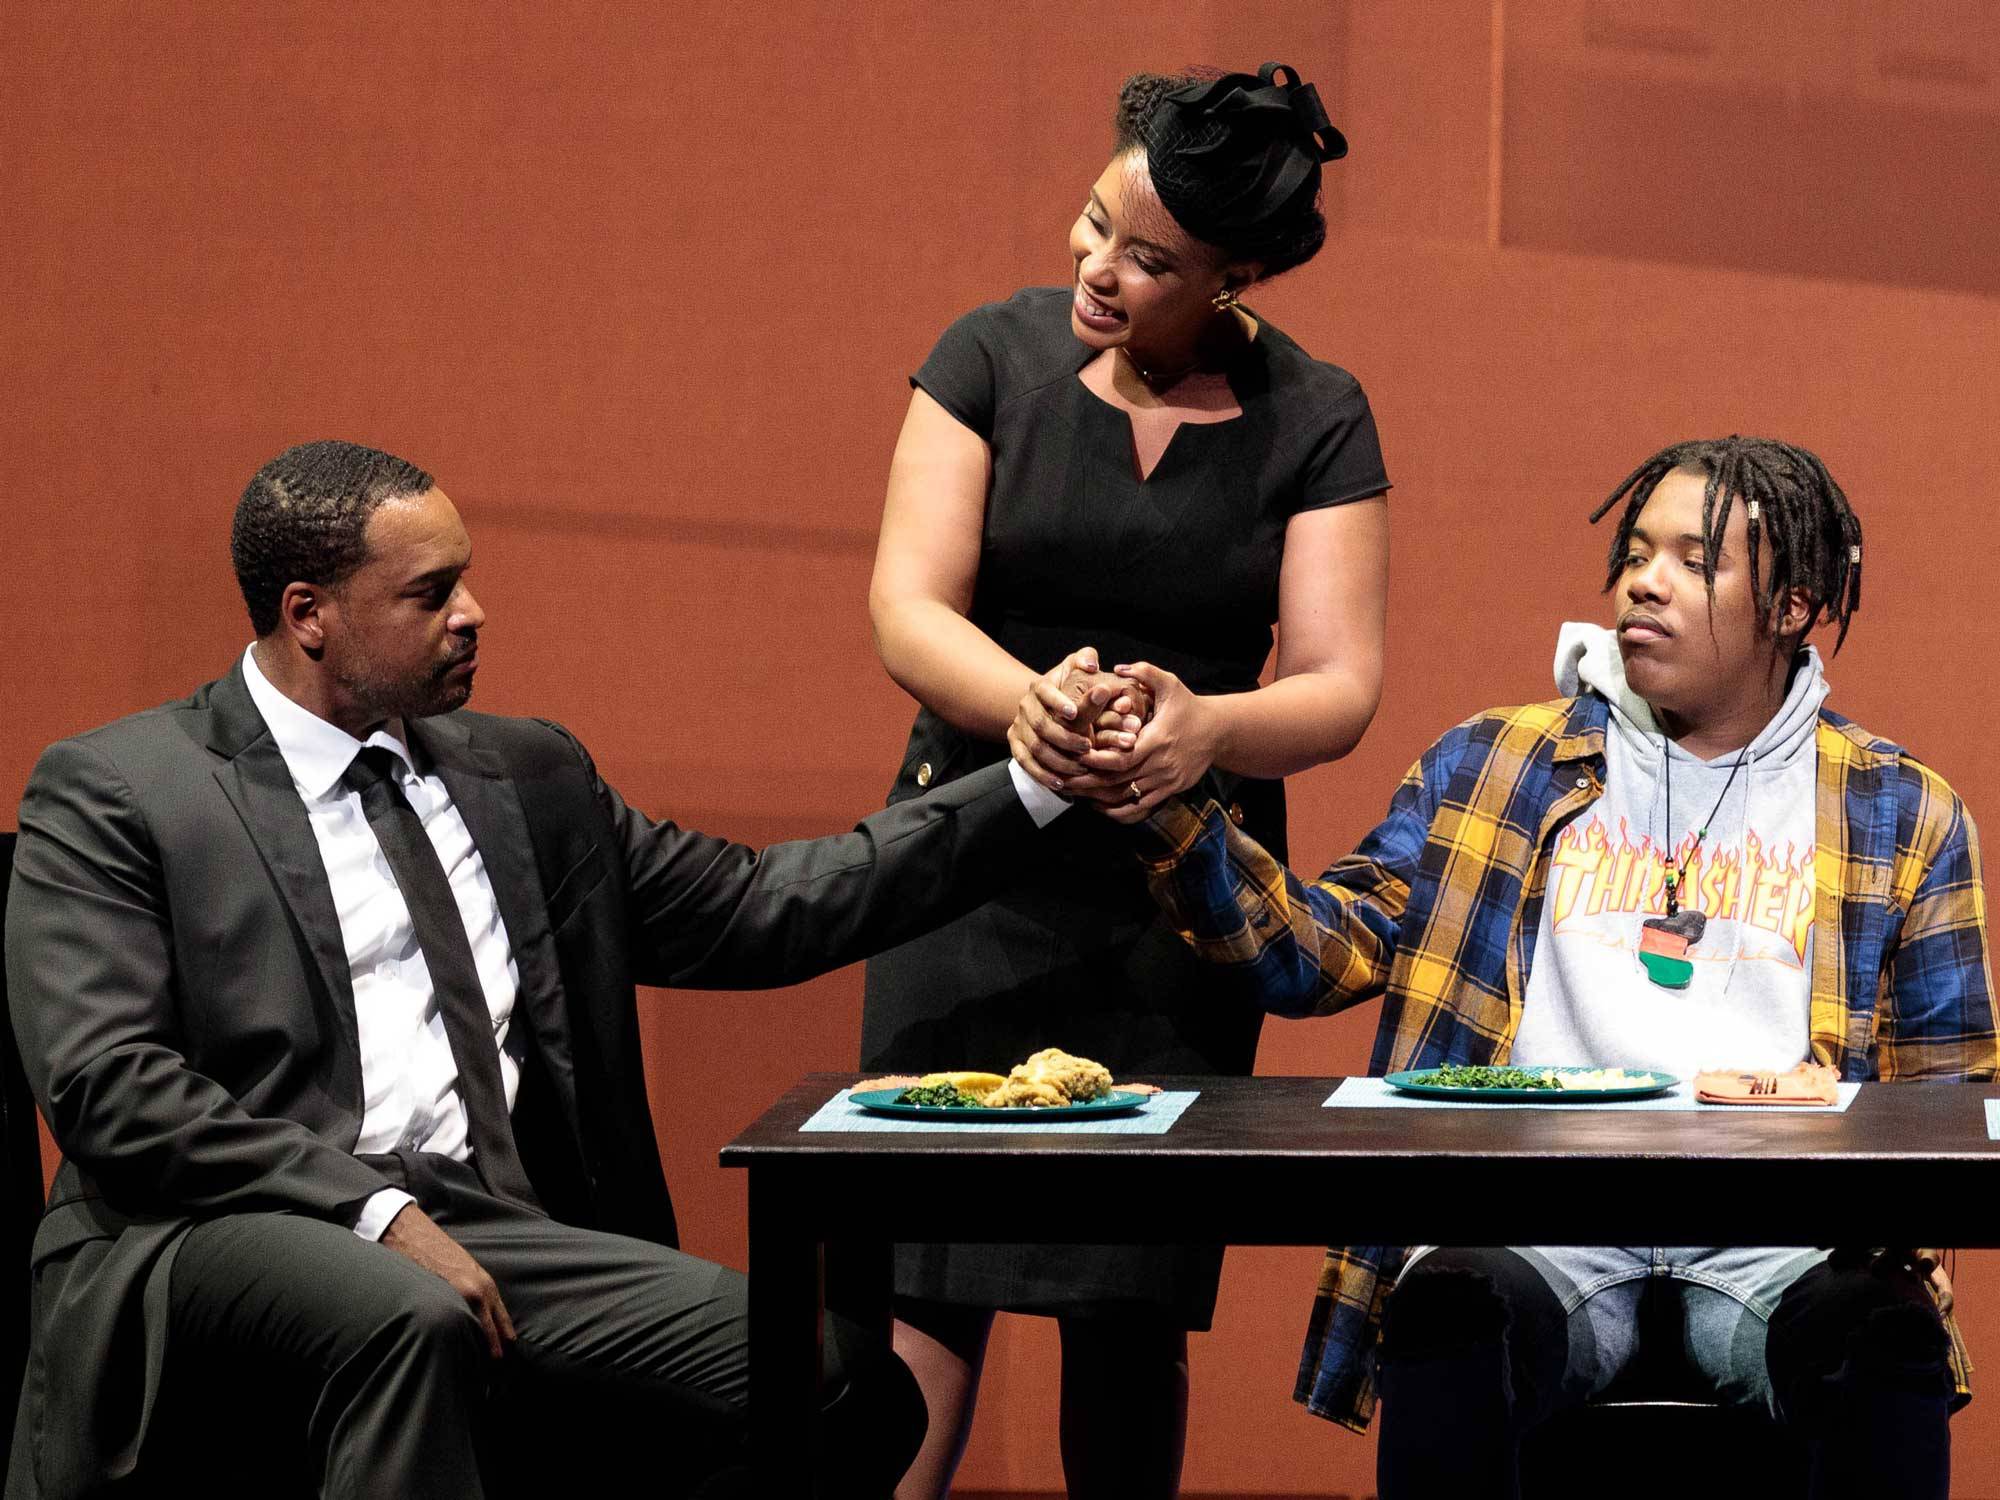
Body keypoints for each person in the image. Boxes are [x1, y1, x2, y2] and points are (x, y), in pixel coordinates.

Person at [4, 439, 1087, 1500]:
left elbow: (765, 908)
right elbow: (111, 1083)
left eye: (465, 579)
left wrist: (1035, 785)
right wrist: (372, 1214)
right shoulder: (124, 789)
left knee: (847, 1389)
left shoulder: (526, 776)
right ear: (309, 616)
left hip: (496, 1224)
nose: (471, 612)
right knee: (409, 1319)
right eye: (431, 594)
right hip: (227, 1223)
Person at [1117, 436, 1995, 1499]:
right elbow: (1312, 955)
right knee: (1445, 1307)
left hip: (1781, 1245)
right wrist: (1166, 803)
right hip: (1536, 1228)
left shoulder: (1900, 810)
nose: (1643, 580)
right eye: (1634, 551)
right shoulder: (1497, 765)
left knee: (1884, 1339)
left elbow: (1943, 1112)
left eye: (1692, 559)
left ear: (1792, 607)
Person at [862, 61, 1391, 1496]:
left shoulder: (1318, 415)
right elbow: (909, 609)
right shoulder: (988, 355)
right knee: (918, 1276)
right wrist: (1032, 711)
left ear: (1237, 273)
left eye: (1148, 260)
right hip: (967, 863)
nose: (1097, 269)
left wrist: (1206, 730)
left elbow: (1340, 684)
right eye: (1095, 224)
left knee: (1128, 1300)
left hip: (1181, 890)